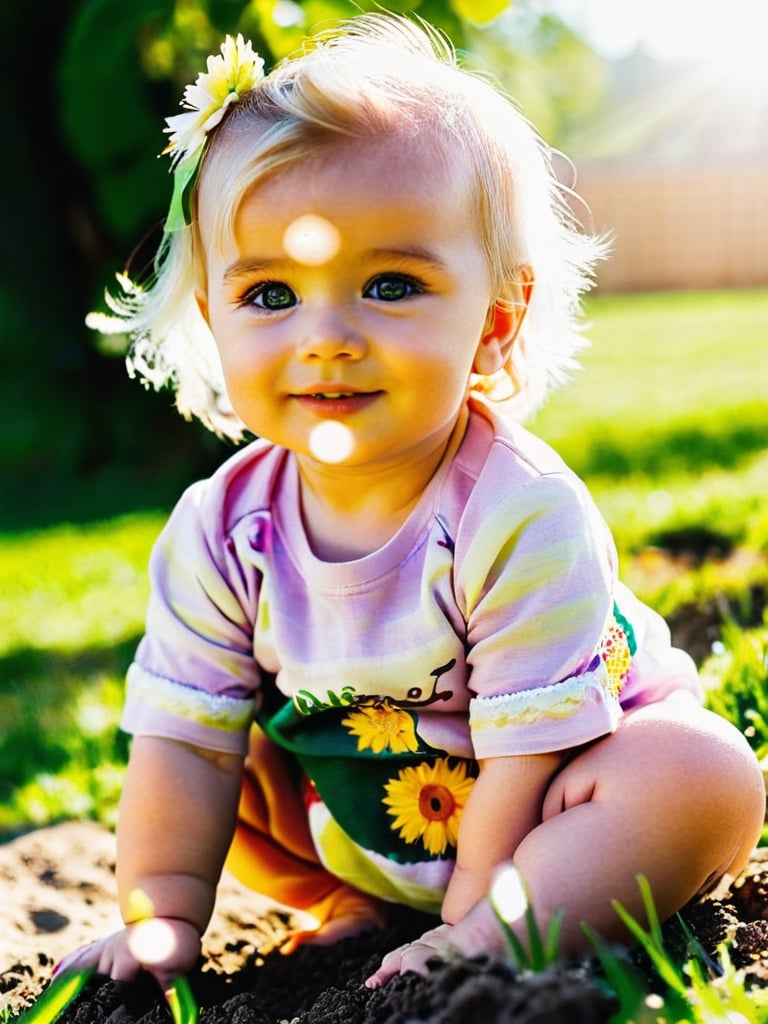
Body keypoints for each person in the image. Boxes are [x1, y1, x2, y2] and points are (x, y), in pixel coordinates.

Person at [59, 14, 764, 993]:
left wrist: (474, 918)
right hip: (361, 814)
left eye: (389, 283)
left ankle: (489, 936)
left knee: (699, 774)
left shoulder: (518, 512)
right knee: (223, 752)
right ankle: (361, 907)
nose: (327, 336)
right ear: (213, 318)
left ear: (493, 322)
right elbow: (179, 745)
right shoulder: (221, 532)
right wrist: (161, 915)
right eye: (270, 295)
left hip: (556, 811)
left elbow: (526, 759)